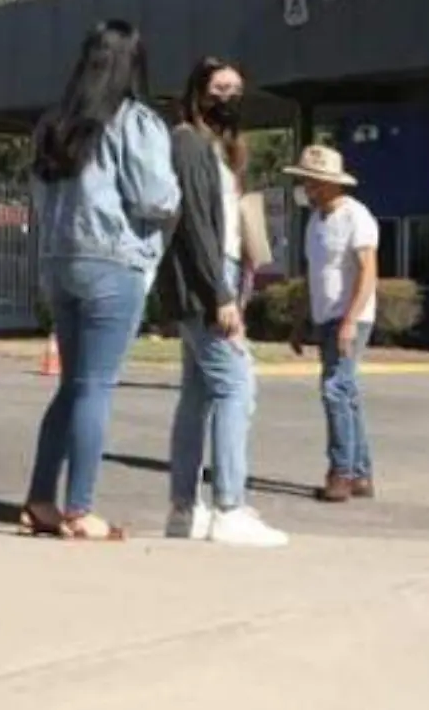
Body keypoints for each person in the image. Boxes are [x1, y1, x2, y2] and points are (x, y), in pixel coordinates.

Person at [22, 21, 179, 542]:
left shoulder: (54, 122)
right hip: (113, 260)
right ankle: (80, 508)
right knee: (95, 388)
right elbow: (157, 197)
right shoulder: (134, 121)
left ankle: (41, 499)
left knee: (72, 387)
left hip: (60, 260)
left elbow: (40, 199)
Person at [157, 58, 288, 547]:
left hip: (220, 274)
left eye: (236, 89)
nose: (229, 98)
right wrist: (220, 293)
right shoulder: (187, 142)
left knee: (198, 394)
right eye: (219, 88)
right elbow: (195, 224)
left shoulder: (220, 148)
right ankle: (228, 506)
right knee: (237, 385)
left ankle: (184, 508)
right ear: (197, 91)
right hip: (205, 281)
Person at [286, 144, 379, 504]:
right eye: (305, 181)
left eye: (313, 181)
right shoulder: (315, 221)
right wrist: (299, 322)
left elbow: (368, 270)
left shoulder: (357, 216)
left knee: (335, 390)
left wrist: (350, 320)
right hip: (325, 316)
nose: (307, 187)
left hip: (350, 316)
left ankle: (340, 471)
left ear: (330, 184)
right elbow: (314, 274)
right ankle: (360, 472)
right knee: (347, 394)